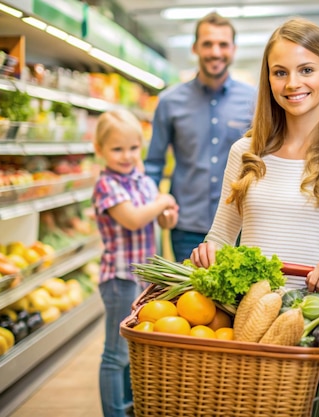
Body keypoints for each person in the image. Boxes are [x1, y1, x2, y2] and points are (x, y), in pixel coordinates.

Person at [190, 17, 319, 300]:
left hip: (318, 325)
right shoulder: (245, 152)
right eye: (280, 73)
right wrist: (208, 252)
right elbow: (219, 239)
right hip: (248, 318)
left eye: (306, 70)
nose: (292, 83)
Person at [144, 11, 256, 262]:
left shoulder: (255, 101)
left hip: (240, 225)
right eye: (208, 44)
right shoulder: (169, 102)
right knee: (191, 299)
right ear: (195, 48)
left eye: (223, 44)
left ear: (233, 49)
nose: (215, 52)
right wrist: (156, 203)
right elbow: (153, 164)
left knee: (238, 301)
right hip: (186, 226)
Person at [92, 109, 178, 417]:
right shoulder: (106, 185)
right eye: (117, 149)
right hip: (119, 280)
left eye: (132, 148)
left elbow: (162, 222)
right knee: (115, 355)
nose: (126, 156)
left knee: (133, 349)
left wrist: (167, 214)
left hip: (141, 279)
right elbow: (132, 219)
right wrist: (161, 204)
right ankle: (114, 412)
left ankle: (131, 407)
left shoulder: (142, 181)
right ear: (99, 149)